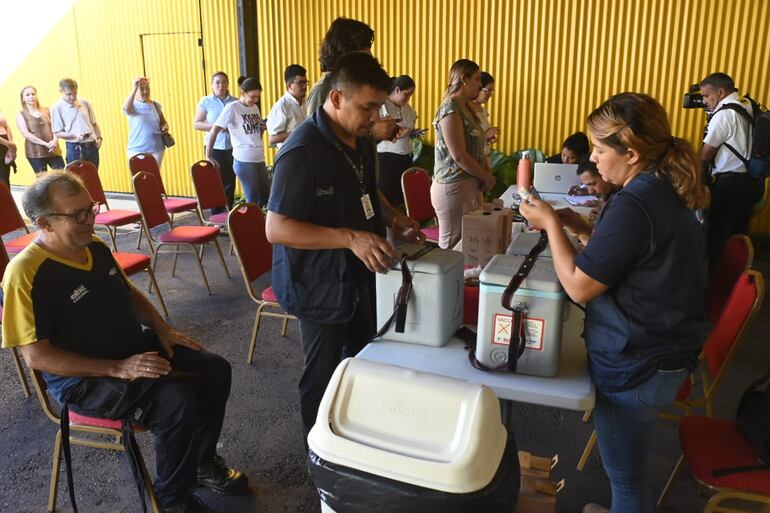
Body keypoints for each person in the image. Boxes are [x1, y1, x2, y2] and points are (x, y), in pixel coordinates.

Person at [1, 171, 249, 513]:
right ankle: (173, 500)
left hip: (130, 352)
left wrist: (162, 329)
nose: (92, 220)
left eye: (92, 209)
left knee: (215, 369)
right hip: (85, 380)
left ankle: (202, 463)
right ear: (44, 223)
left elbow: (129, 294)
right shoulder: (25, 274)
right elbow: (37, 357)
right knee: (176, 400)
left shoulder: (94, 245)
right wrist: (118, 368)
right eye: (79, 215)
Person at [519, 93, 708, 513]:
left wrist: (550, 223)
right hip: (664, 354)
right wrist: (576, 226)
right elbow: (630, 257)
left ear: (632, 153)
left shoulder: (635, 203)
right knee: (631, 470)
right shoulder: (661, 187)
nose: (595, 159)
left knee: (626, 477)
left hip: (637, 365)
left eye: (601, 150)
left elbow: (579, 287)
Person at [265, 52, 422, 442]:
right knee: (322, 374)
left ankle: (357, 440)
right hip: (316, 282)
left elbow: (369, 193)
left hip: (358, 273)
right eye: (367, 107)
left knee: (364, 359)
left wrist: (394, 218)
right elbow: (277, 227)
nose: (374, 117)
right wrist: (349, 237)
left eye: (378, 107)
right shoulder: (302, 151)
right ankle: (319, 454)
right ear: (336, 99)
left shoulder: (359, 140)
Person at [698, 72, 765, 267]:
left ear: (721, 92)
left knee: (717, 233)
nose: (704, 101)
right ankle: (737, 273)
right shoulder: (748, 104)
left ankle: (711, 275)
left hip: (731, 184)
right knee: (739, 232)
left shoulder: (724, 115)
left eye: (706, 95)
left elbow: (705, 155)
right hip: (753, 181)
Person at [430, 59, 495, 249]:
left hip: (468, 183)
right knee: (451, 248)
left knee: (466, 245)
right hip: (453, 186)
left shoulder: (466, 109)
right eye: (476, 79)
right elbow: (459, 156)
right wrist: (485, 176)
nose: (480, 84)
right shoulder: (450, 110)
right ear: (464, 79)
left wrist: (483, 174)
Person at [306, 17, 397, 142]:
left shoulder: (359, 85)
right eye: (364, 48)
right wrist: (372, 134)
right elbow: (317, 142)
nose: (369, 54)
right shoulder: (322, 89)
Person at [206, 77, 269, 208]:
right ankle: (248, 227)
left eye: (257, 97)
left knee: (265, 197)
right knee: (253, 199)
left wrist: (263, 127)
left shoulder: (255, 108)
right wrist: (209, 156)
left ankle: (260, 226)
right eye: (252, 96)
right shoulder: (232, 107)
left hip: (259, 157)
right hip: (244, 159)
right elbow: (214, 131)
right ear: (242, 93)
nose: (255, 100)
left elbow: (255, 132)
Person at [194, 72, 238, 213]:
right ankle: (215, 217)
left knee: (230, 182)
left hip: (232, 147)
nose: (221, 85)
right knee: (215, 183)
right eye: (217, 82)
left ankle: (227, 215)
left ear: (228, 84)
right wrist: (217, 127)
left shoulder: (235, 102)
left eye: (224, 82)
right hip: (214, 147)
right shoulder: (206, 101)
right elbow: (197, 124)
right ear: (212, 85)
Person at [377, 74, 418, 208]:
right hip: (387, 158)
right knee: (387, 198)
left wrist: (412, 131)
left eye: (410, 95)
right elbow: (383, 131)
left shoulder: (407, 108)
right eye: (406, 94)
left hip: (405, 157)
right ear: (397, 90)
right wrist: (401, 131)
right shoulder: (383, 105)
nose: (407, 98)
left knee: (403, 198)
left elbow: (410, 124)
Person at [560, 157, 620, 245]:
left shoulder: (621, 204)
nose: (590, 191)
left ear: (605, 175)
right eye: (587, 186)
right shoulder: (612, 196)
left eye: (592, 184)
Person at [51, 78, 102, 168]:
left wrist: (99, 137)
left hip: (90, 144)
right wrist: (74, 135)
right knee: (77, 179)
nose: (72, 97)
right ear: (61, 91)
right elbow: (57, 133)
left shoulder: (84, 102)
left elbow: (94, 123)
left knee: (93, 176)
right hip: (74, 147)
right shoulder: (57, 108)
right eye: (69, 94)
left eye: (75, 93)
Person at [16, 86, 65, 173]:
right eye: (27, 95)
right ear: (23, 99)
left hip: (54, 150)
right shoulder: (21, 114)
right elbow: (26, 134)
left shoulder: (46, 110)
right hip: (35, 153)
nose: (31, 96)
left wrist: (55, 141)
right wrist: (46, 144)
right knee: (42, 180)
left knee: (62, 176)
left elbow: (56, 127)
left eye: (33, 94)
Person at [123, 77, 169, 169]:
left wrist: (165, 128)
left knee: (154, 177)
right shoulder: (133, 105)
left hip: (156, 149)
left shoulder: (155, 105)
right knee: (139, 178)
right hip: (136, 149)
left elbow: (163, 122)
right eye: (142, 89)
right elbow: (126, 109)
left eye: (147, 88)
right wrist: (134, 88)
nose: (145, 92)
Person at [267, 64, 308, 149]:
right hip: (289, 155)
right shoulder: (281, 107)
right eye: (301, 83)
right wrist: (299, 133)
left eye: (305, 82)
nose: (304, 86)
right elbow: (272, 139)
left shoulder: (306, 101)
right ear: (290, 85)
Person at [471, 71, 499, 167]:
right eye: (488, 90)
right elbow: (465, 141)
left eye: (492, 91)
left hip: (485, 159)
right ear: (478, 87)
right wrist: (485, 136)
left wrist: (488, 138)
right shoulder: (466, 110)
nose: (490, 94)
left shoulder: (482, 111)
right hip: (473, 162)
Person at [0, 111, 16, 186]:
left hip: (4, 152)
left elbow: (6, 126)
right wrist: (10, 145)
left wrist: (11, 147)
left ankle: (6, 197)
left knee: (4, 180)